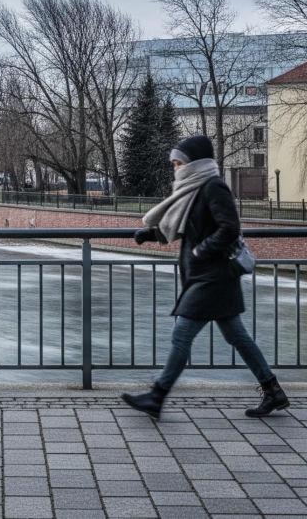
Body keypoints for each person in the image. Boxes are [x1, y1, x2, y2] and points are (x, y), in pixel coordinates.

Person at [122, 134, 289, 419]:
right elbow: (188, 226)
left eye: (178, 163)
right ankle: (273, 391)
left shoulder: (214, 187)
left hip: (213, 277)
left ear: (194, 163)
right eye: (174, 163)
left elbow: (230, 228)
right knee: (238, 337)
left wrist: (202, 251)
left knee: (181, 334)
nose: (175, 168)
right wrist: (151, 235)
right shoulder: (194, 190)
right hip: (207, 277)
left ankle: (157, 396)